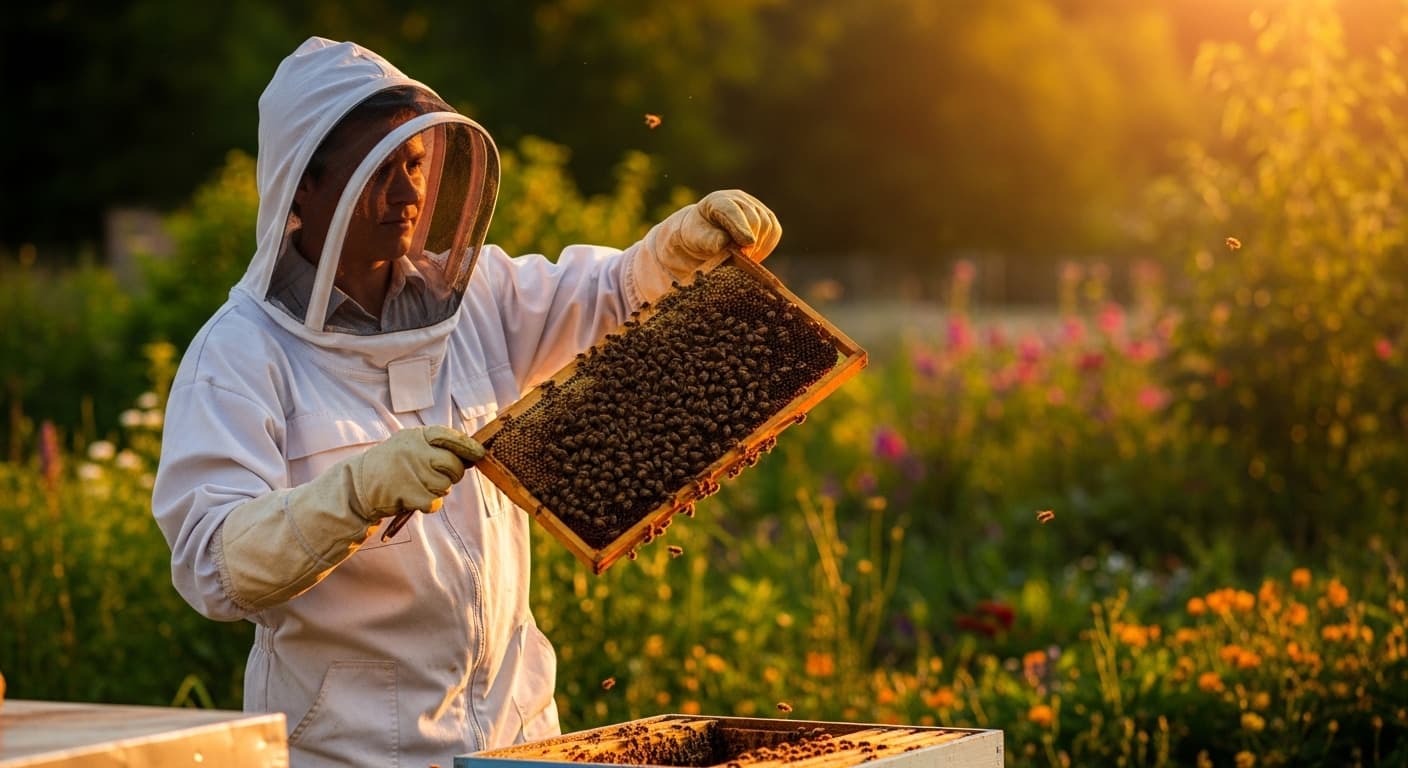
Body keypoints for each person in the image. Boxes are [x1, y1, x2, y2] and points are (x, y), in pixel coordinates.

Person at [152, 36, 780, 768]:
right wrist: (350, 496)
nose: (407, 193)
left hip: (523, 742)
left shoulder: (477, 296)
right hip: (352, 753)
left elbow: (609, 299)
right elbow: (211, 563)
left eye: (413, 165)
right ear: (304, 187)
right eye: (375, 172)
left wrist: (670, 255)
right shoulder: (240, 354)